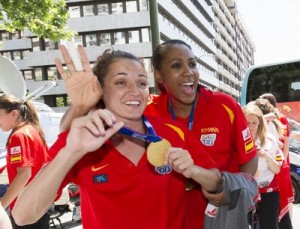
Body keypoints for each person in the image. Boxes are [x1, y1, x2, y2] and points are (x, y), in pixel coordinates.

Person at [57, 39, 258, 228]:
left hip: (218, 216)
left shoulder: (224, 105)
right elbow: (69, 132)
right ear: (159, 76)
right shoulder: (146, 108)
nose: (188, 72)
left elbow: (248, 158)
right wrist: (80, 105)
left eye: (193, 64)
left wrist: (235, 193)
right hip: (173, 217)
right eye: (177, 66)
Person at [12, 48, 222, 229]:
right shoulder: (81, 137)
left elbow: (216, 182)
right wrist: (71, 152)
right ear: (101, 91)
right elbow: (23, 216)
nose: (135, 92)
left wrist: (193, 170)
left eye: (141, 83)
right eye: (121, 82)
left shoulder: (172, 131)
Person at [0, 94, 50, 229]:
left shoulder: (19, 135)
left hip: (27, 207)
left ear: (13, 114)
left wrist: (2, 206)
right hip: (38, 204)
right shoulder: (32, 130)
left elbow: (24, 175)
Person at [243, 103, 283, 229]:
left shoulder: (270, 140)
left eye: (254, 122)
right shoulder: (237, 139)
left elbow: (277, 169)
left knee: (269, 226)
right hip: (246, 191)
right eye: (247, 122)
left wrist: (265, 155)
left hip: (268, 191)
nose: (250, 126)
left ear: (260, 121)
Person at [259, 93, 294, 229]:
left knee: (278, 208)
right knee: (281, 207)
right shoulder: (269, 120)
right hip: (278, 166)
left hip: (275, 168)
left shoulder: (274, 120)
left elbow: (283, 144)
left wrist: (280, 162)